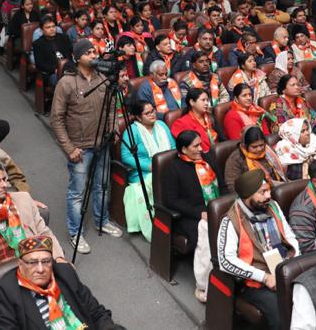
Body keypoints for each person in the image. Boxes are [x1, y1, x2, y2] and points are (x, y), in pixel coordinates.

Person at [50, 39, 122, 255]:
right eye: (89, 52)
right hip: (80, 147)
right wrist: (69, 148)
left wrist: (112, 128)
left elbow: (111, 108)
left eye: (94, 51)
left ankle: (102, 221)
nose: (94, 55)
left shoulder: (103, 78)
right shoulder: (67, 83)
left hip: (102, 142)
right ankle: (76, 232)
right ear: (77, 57)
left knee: (102, 185)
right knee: (77, 192)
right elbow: (56, 119)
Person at [215, 169, 299, 327]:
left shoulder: (272, 206)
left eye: (269, 190)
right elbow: (225, 261)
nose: (269, 196)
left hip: (284, 267)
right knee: (283, 313)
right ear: (247, 196)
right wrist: (265, 277)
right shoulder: (230, 220)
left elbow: (290, 237)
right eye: (262, 192)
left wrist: (291, 263)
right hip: (255, 282)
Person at [0, 235, 123, 330]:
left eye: (46, 261)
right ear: (21, 265)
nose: (40, 269)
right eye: (32, 262)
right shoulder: (5, 292)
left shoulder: (65, 273)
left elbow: (96, 312)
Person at [0, 162, 63, 270]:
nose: (4, 185)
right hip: (8, 273)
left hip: (40, 261)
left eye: (4, 180)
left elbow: (44, 233)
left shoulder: (24, 199)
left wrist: (59, 258)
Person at [161, 129, 219, 302]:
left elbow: (221, 183)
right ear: (184, 149)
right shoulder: (173, 169)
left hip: (214, 208)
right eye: (196, 146)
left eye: (201, 144)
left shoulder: (207, 160)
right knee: (207, 237)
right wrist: (199, 213)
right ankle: (204, 284)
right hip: (189, 215)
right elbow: (171, 201)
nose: (201, 148)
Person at [120, 99, 173, 240]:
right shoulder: (132, 131)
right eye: (147, 113)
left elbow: (173, 148)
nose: (152, 115)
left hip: (165, 167)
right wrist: (150, 166)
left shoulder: (162, 125)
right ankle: (157, 226)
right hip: (143, 172)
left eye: (153, 110)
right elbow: (126, 157)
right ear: (138, 117)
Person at [224, 126, 286, 192]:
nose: (259, 149)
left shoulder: (268, 151)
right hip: (252, 194)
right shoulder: (236, 158)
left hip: (277, 189)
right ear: (245, 146)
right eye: (254, 147)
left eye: (261, 145)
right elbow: (233, 186)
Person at [170, 87, 219, 153]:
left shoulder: (210, 117)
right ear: (192, 102)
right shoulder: (181, 123)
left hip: (217, 153)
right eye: (203, 100)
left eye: (207, 100)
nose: (206, 103)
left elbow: (222, 139)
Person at [31, 16, 72, 86]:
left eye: (53, 26)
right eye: (48, 27)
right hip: (51, 73)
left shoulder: (64, 37)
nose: (52, 29)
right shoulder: (38, 44)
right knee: (64, 82)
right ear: (41, 30)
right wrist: (56, 69)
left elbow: (69, 54)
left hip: (68, 68)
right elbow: (39, 64)